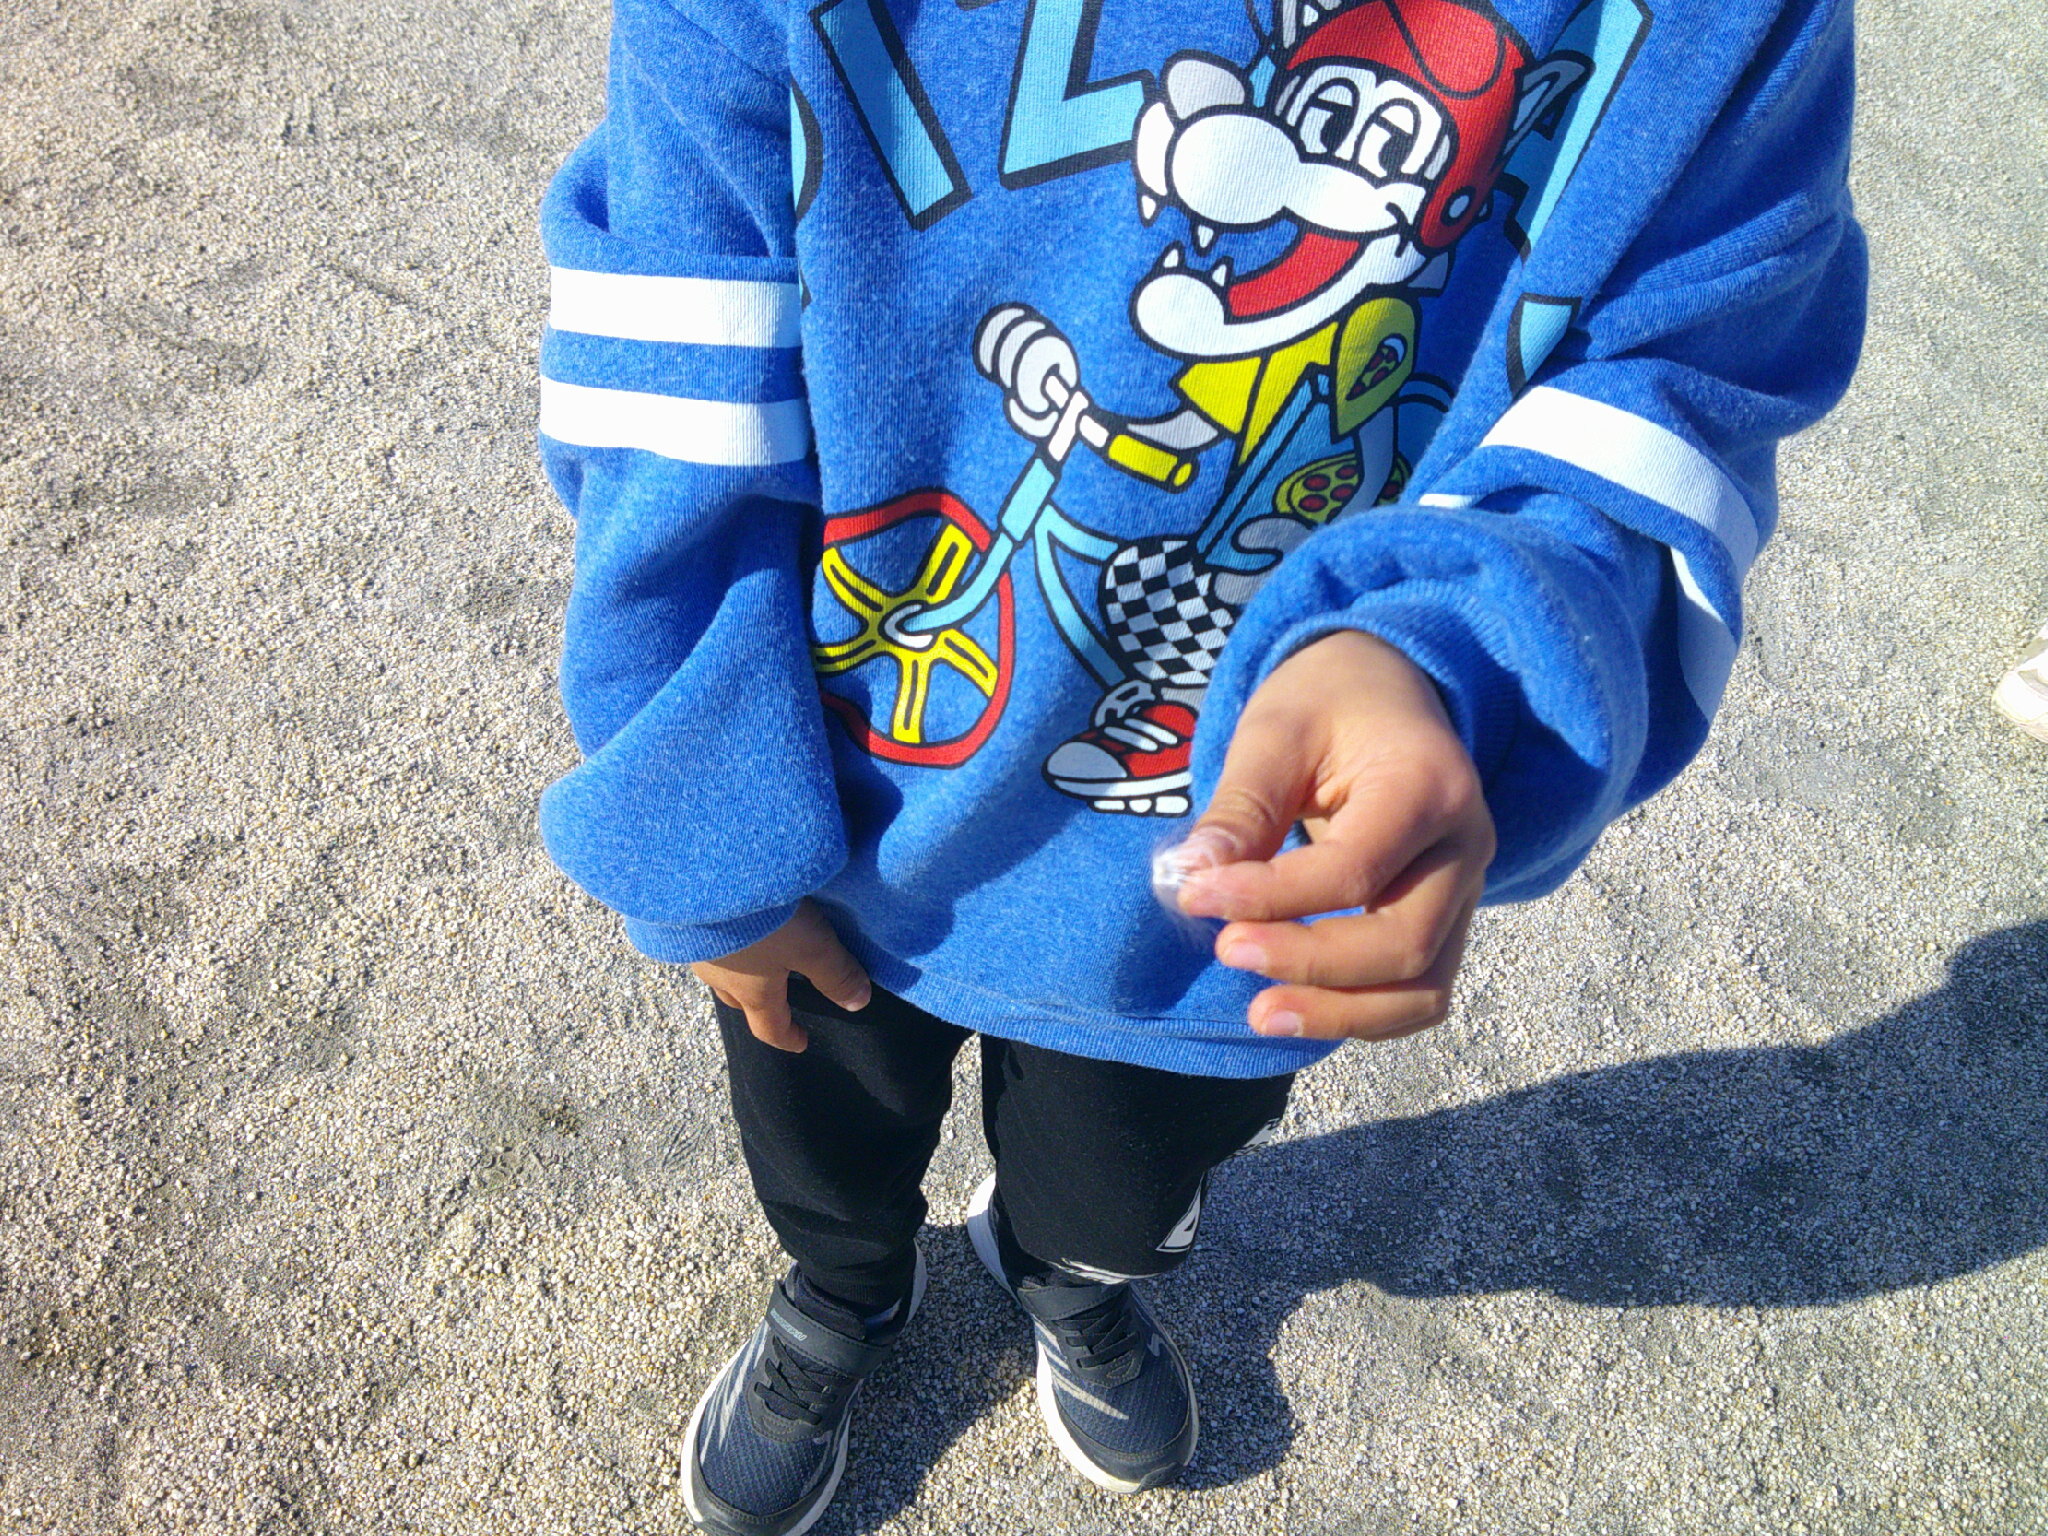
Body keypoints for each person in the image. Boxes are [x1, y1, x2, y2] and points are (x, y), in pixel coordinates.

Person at [533, 0, 1865, 1528]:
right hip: (834, 837)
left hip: (1215, 904)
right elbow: (673, 373)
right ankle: (843, 1289)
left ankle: (1067, 1276)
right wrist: (699, 845)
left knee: (1118, 1192)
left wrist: (1448, 656)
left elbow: (1681, 373)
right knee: (822, 1149)